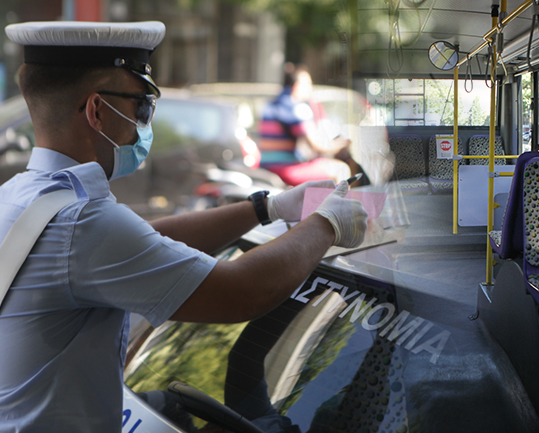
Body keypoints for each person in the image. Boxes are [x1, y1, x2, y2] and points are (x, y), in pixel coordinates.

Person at [0, 21, 367, 433]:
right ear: (97, 110)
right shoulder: (82, 224)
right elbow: (243, 293)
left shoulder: (21, 196)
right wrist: (327, 222)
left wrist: (270, 207)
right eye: (142, 106)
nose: (145, 123)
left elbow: (151, 239)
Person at [259, 63, 357, 186]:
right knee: (341, 170)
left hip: (265, 167)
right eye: (308, 84)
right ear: (296, 86)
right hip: (284, 168)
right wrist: (344, 143)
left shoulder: (271, 104)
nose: (310, 89)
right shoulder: (296, 107)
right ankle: (340, 205)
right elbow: (318, 145)